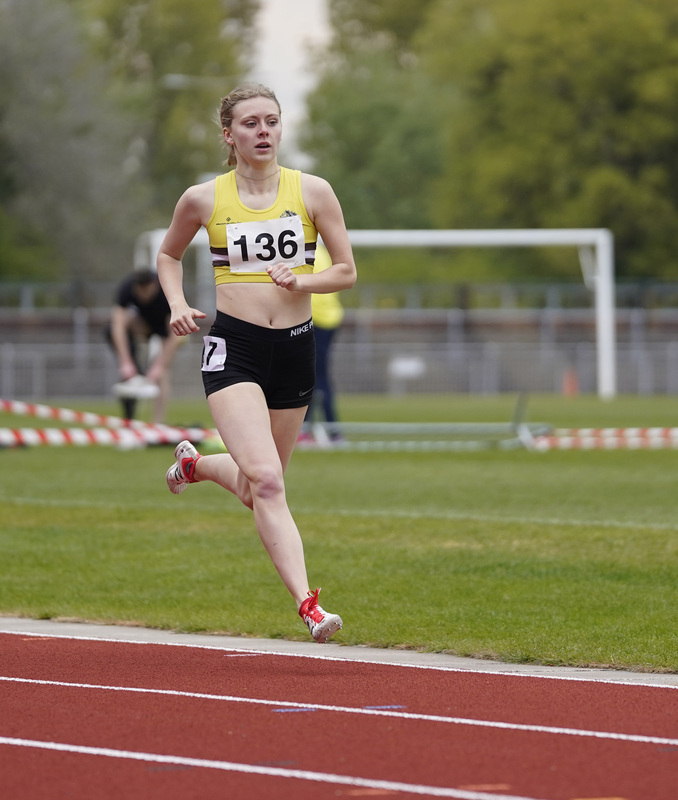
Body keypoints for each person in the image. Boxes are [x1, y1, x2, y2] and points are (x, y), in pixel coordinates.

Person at [157, 83, 357, 643]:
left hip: (295, 348)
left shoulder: (313, 192)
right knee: (268, 482)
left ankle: (195, 467)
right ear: (229, 134)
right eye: (250, 123)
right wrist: (176, 303)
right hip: (236, 349)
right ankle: (310, 606)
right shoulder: (203, 199)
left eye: (271, 121)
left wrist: (304, 279)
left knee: (253, 488)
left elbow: (345, 271)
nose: (263, 131)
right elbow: (169, 253)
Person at [106, 268, 181, 423]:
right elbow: (117, 326)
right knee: (117, 325)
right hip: (142, 325)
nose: (143, 296)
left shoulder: (167, 291)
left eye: (147, 291)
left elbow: (175, 337)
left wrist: (159, 366)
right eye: (140, 291)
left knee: (162, 375)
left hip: (169, 328)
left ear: (154, 285)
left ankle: (158, 423)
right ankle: (134, 369)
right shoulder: (127, 288)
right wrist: (125, 361)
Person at [298, 244, 345, 446]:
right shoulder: (319, 250)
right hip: (325, 319)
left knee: (314, 377)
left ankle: (326, 430)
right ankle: (324, 429)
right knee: (314, 376)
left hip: (318, 320)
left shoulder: (308, 251)